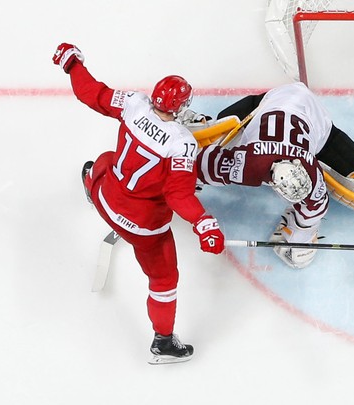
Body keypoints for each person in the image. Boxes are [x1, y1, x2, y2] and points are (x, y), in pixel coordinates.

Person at [52, 42, 226, 364]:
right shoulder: (183, 144)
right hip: (143, 228)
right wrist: (204, 222)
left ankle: (89, 187)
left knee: (105, 160)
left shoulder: (133, 103)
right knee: (164, 280)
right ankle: (163, 343)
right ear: (180, 105)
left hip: (106, 198)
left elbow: (91, 93)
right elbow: (178, 195)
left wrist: (73, 64)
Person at [193, 82, 354, 269]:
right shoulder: (251, 164)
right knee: (220, 131)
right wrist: (297, 241)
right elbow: (200, 163)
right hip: (270, 102)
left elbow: (332, 202)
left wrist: (299, 240)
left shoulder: (309, 172)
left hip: (308, 112)